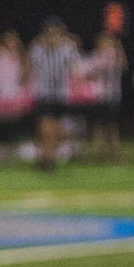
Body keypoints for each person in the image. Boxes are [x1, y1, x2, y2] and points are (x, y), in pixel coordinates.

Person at [28, 17, 82, 170]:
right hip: (43, 93)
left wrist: (77, 85)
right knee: (45, 126)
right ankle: (45, 156)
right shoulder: (37, 48)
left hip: (61, 94)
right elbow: (29, 68)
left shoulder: (68, 49)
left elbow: (76, 69)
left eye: (55, 33)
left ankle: (49, 156)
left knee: (56, 127)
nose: (52, 37)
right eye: (49, 33)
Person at [78, 30, 126, 161]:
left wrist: (118, 47)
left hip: (112, 95)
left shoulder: (115, 54)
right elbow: (87, 72)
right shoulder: (95, 55)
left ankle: (114, 150)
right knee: (97, 124)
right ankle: (99, 150)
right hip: (98, 94)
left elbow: (123, 66)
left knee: (112, 124)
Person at [0, 28, 32, 147]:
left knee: (15, 119)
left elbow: (25, 76)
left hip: (17, 92)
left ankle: (14, 143)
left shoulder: (22, 57)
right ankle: (1, 143)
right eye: (8, 40)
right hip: (1, 92)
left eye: (13, 40)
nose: (11, 43)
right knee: (1, 119)